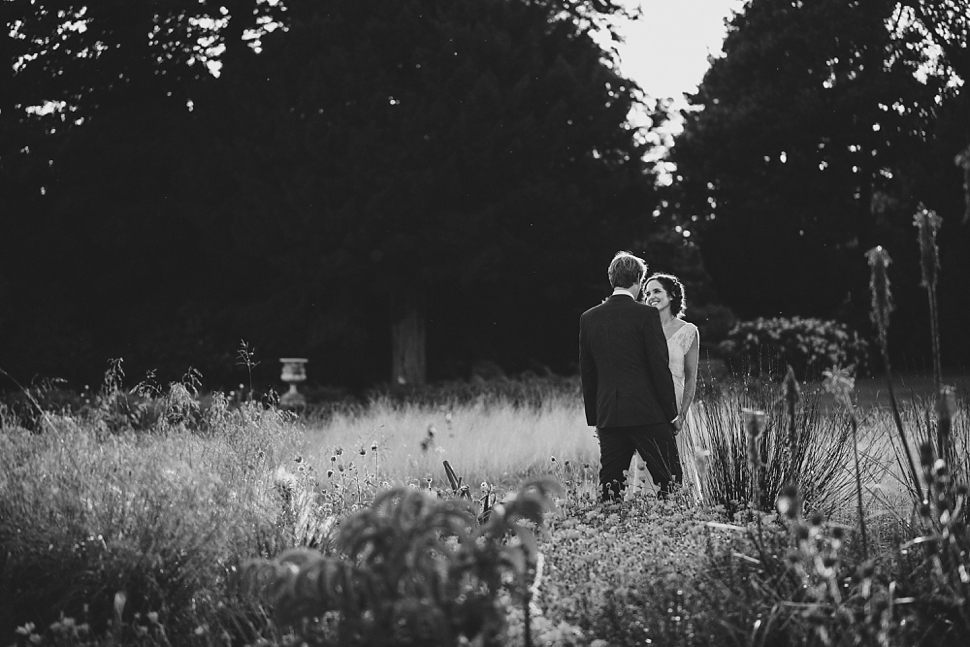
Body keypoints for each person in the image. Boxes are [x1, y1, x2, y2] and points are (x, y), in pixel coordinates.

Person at [579, 252, 682, 501]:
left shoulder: (589, 318)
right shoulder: (646, 315)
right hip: (647, 414)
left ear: (612, 279)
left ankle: (606, 536)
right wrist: (671, 412)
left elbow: (588, 372)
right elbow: (659, 367)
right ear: (638, 279)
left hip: (609, 416)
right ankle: (674, 533)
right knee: (672, 483)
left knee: (611, 489)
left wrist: (596, 417)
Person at [641, 273, 700, 426]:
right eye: (647, 294)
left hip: (676, 406)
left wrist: (681, 416)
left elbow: (691, 378)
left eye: (656, 291)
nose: (651, 297)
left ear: (672, 295)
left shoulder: (688, 331)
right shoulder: (642, 330)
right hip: (645, 405)